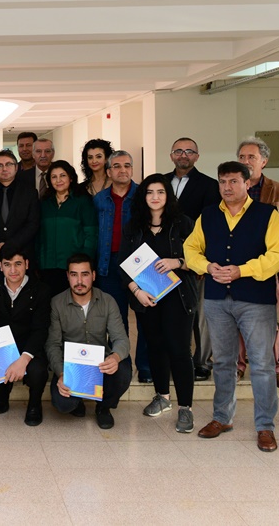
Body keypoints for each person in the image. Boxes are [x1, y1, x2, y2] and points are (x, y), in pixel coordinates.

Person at [184, 161, 279, 452]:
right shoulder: (208, 215)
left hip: (255, 300)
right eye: (222, 182)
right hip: (217, 299)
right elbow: (190, 249)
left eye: (233, 181)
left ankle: (265, 426)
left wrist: (243, 270)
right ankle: (222, 417)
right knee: (223, 362)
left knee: (262, 365)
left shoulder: (267, 214)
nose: (227, 187)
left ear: (247, 183)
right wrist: (206, 266)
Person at [118, 174, 199, 434]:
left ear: (168, 196)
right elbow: (124, 265)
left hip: (178, 297)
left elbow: (201, 258)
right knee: (155, 347)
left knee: (179, 350)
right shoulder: (134, 226)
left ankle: (185, 408)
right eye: (150, 192)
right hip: (147, 299)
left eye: (160, 192)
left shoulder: (183, 224)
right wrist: (136, 291)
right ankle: (162, 396)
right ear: (143, 196)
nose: (155, 197)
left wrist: (178, 262)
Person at [45, 254, 132, 429]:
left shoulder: (107, 301)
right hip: (71, 367)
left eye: (84, 274)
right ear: (67, 276)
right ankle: (77, 402)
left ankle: (103, 407)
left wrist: (115, 357)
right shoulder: (57, 303)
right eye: (74, 274)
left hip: (100, 364)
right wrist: (61, 374)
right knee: (63, 404)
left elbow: (121, 339)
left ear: (93, 275)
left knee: (123, 368)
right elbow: (52, 344)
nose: (79, 281)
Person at [0, 246, 50, 426]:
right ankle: (2, 393)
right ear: (0, 266)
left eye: (18, 264)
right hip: (0, 349)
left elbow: (41, 330)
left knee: (38, 373)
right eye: (7, 264)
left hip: (29, 348)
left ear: (27, 264)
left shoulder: (41, 289)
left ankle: (34, 404)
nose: (13, 270)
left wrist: (24, 359)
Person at [164, 137, 220, 383]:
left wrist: (200, 261)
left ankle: (202, 362)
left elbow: (211, 225)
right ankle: (176, 359)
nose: (183, 155)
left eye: (189, 151)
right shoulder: (161, 182)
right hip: (164, 257)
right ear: (171, 155)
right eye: (178, 151)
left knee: (199, 314)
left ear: (197, 156)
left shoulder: (209, 185)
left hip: (196, 258)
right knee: (171, 313)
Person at [237, 136, 279, 387]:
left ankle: (274, 366)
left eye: (252, 157)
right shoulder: (231, 186)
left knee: (271, 317)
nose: (246, 161)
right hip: (237, 263)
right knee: (236, 317)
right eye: (242, 157)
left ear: (264, 161)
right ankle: (239, 365)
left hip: (268, 264)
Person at [93, 150, 148, 382]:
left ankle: (145, 366)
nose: (122, 170)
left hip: (139, 265)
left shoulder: (144, 196)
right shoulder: (99, 199)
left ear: (132, 169)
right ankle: (121, 366)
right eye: (116, 166)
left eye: (127, 165)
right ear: (108, 172)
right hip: (108, 264)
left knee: (144, 318)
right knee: (116, 319)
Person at [37, 160, 97, 298]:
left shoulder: (82, 201)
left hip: (74, 267)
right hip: (47, 266)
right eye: (54, 177)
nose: (58, 180)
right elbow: (39, 235)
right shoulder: (44, 203)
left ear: (71, 178)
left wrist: (85, 262)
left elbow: (91, 234)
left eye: (62, 175)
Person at [0, 150, 40, 283]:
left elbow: (33, 224)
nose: (4, 169)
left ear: (16, 167)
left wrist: (10, 245)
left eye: (8, 164)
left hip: (22, 255)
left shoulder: (30, 192)